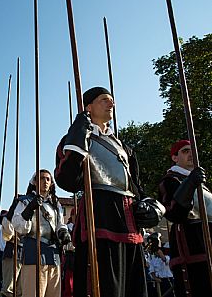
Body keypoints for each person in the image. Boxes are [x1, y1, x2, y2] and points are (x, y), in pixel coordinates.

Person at [54, 86, 165, 297]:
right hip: (101, 217)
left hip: (130, 220)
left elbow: (136, 187)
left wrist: (153, 205)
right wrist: (77, 137)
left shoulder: (124, 147)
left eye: (112, 100)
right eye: (104, 100)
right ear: (89, 107)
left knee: (135, 289)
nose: (111, 104)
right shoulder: (75, 138)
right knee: (105, 288)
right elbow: (66, 180)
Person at [158, 139, 211, 297]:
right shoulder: (170, 180)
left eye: (192, 151)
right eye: (185, 151)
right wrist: (189, 184)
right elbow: (175, 214)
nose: (191, 155)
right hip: (192, 248)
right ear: (175, 157)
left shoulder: (202, 184)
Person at [12, 169, 70, 297]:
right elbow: (18, 226)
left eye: (48, 179)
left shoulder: (55, 204)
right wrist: (29, 210)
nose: (45, 181)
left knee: (54, 294)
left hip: (53, 254)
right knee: (33, 293)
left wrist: (63, 232)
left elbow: (60, 223)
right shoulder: (24, 201)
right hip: (34, 251)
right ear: (35, 182)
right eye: (42, 178)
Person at [0, 198, 23, 297]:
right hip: (12, 251)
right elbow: (9, 233)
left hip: (23, 253)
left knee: (20, 289)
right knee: (9, 288)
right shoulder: (8, 220)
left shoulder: (23, 218)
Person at [146, 232, 174, 297]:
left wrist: (160, 252)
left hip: (168, 279)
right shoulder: (152, 256)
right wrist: (155, 278)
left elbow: (165, 260)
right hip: (158, 280)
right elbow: (151, 269)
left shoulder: (166, 251)